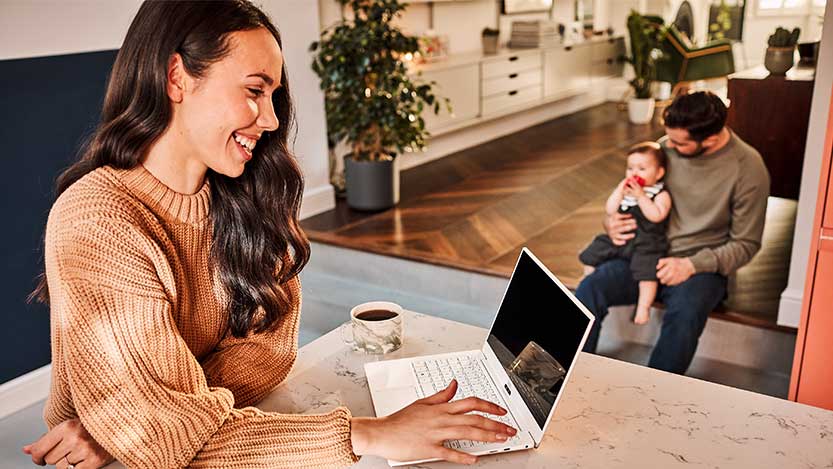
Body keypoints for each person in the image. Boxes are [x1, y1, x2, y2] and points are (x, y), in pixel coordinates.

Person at [21, 2, 515, 468]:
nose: (273, 118)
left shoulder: (244, 195)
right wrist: (368, 433)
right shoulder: (98, 220)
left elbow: (268, 352)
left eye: (273, 96)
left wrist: (149, 412)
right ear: (177, 78)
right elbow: (157, 440)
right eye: (254, 91)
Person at [576, 91, 770, 374]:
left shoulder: (748, 168)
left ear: (711, 139)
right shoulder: (664, 151)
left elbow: (746, 244)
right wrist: (613, 224)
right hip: (645, 253)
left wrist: (692, 265)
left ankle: (655, 391)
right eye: (669, 138)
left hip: (700, 265)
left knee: (686, 313)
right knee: (590, 287)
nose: (670, 146)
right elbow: (630, 199)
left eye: (680, 142)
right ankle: (567, 378)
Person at [579, 142, 671, 325]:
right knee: (597, 246)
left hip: (647, 242)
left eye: (642, 169)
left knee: (647, 271)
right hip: (623, 238)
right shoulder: (627, 190)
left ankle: (643, 307)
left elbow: (656, 215)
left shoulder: (659, 193)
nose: (634, 173)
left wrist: (641, 197)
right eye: (630, 168)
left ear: (659, 173)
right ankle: (588, 274)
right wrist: (620, 190)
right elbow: (610, 209)